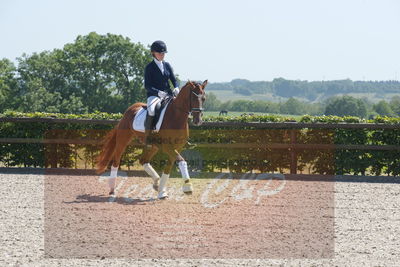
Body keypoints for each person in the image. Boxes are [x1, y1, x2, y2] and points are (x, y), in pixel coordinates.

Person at [144, 40, 180, 146]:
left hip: (168, 94)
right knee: (151, 110)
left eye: (163, 53)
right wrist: (158, 93)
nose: (162, 55)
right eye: (160, 53)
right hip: (154, 95)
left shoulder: (167, 65)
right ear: (153, 53)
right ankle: (149, 138)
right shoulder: (149, 67)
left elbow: (173, 80)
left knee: (180, 107)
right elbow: (147, 86)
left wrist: (176, 87)